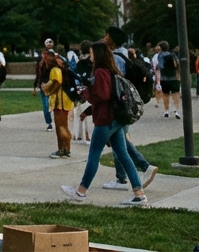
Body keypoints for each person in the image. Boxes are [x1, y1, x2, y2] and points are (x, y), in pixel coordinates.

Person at [60, 41, 148, 206]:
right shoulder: (111, 71)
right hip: (115, 118)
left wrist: (84, 93)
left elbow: (102, 95)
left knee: (94, 154)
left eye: (92, 53)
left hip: (105, 119)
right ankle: (139, 193)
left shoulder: (100, 72)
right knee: (123, 155)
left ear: (98, 54)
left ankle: (81, 191)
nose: (90, 56)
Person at [102, 27, 157, 192]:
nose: (104, 38)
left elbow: (117, 82)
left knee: (119, 141)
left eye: (106, 36)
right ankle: (124, 177)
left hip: (120, 104)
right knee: (119, 140)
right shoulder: (126, 53)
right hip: (127, 103)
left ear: (112, 40)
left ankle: (142, 168)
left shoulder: (115, 57)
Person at [41, 50, 74, 158]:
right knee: (63, 125)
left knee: (60, 126)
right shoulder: (61, 68)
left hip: (60, 102)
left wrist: (49, 91)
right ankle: (66, 149)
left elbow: (57, 82)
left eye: (45, 58)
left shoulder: (55, 69)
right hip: (64, 100)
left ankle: (62, 149)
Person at [73, 43, 94, 145]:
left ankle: (86, 135)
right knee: (82, 113)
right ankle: (83, 135)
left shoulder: (98, 66)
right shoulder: (83, 64)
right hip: (85, 92)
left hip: (89, 93)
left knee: (86, 114)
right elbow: (77, 77)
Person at [155, 41, 181, 119]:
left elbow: (160, 66)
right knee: (175, 94)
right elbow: (177, 65)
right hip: (173, 77)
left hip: (164, 78)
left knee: (165, 94)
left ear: (161, 47)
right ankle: (177, 110)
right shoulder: (172, 55)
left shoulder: (160, 56)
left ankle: (166, 111)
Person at [32, 41, 53, 130]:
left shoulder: (54, 58)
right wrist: (35, 86)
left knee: (47, 105)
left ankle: (50, 122)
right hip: (46, 83)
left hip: (50, 83)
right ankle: (49, 122)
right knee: (46, 105)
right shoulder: (43, 60)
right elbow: (38, 72)